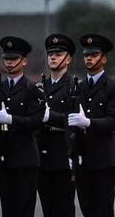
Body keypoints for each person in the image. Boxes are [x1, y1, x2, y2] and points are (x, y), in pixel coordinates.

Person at [0, 36, 46, 217]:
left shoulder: (33, 89)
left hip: (25, 158)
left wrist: (11, 119)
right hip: (4, 157)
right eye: (7, 59)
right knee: (8, 209)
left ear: (24, 61)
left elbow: (35, 121)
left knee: (23, 209)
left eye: (13, 59)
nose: (9, 63)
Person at [68, 33, 115, 217]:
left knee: (103, 209)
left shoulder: (114, 87)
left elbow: (114, 121)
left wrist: (89, 123)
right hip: (83, 157)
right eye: (86, 55)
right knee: (87, 207)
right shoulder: (79, 87)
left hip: (104, 158)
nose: (89, 58)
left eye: (94, 55)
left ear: (104, 58)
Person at [38, 34, 76, 217]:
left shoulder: (74, 86)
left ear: (68, 58)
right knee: (47, 207)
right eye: (50, 53)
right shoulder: (39, 87)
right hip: (42, 153)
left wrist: (50, 117)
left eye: (58, 53)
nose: (53, 57)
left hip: (63, 153)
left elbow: (74, 119)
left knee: (64, 207)